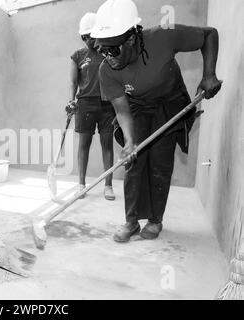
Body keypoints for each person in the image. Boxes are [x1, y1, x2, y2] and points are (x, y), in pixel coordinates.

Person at [91, 0, 222, 242]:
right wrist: (130, 142)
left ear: (131, 39)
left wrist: (209, 75)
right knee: (134, 161)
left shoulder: (164, 37)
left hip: (170, 104)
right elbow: (122, 110)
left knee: (160, 163)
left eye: (113, 50)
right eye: (102, 50)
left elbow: (209, 35)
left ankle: (155, 220)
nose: (107, 56)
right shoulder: (107, 71)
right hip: (137, 107)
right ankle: (131, 221)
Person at [68, 12, 116, 200]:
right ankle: (81, 184)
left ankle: (108, 186)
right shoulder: (78, 55)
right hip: (85, 104)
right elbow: (73, 82)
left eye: (91, 36)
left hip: (107, 105)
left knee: (107, 145)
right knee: (84, 145)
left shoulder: (109, 52)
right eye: (84, 37)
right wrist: (71, 100)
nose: (88, 40)